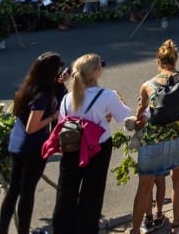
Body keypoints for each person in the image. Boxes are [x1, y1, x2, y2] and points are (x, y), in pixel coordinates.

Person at [51, 54, 131, 234]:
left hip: (71, 147)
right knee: (91, 195)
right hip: (98, 149)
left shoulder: (67, 98)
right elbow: (125, 116)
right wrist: (119, 101)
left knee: (66, 193)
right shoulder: (107, 95)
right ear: (97, 72)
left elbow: (63, 123)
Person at [131, 40, 179, 234]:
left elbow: (140, 114)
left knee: (144, 185)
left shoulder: (147, 86)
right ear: (175, 60)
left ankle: (135, 230)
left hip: (154, 140)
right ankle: (176, 224)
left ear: (158, 61)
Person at [0, 52, 65, 234]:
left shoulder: (28, 88)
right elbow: (32, 127)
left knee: (13, 192)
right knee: (27, 193)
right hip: (33, 148)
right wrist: (52, 116)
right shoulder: (42, 96)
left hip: (17, 144)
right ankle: (24, 231)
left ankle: (2, 230)